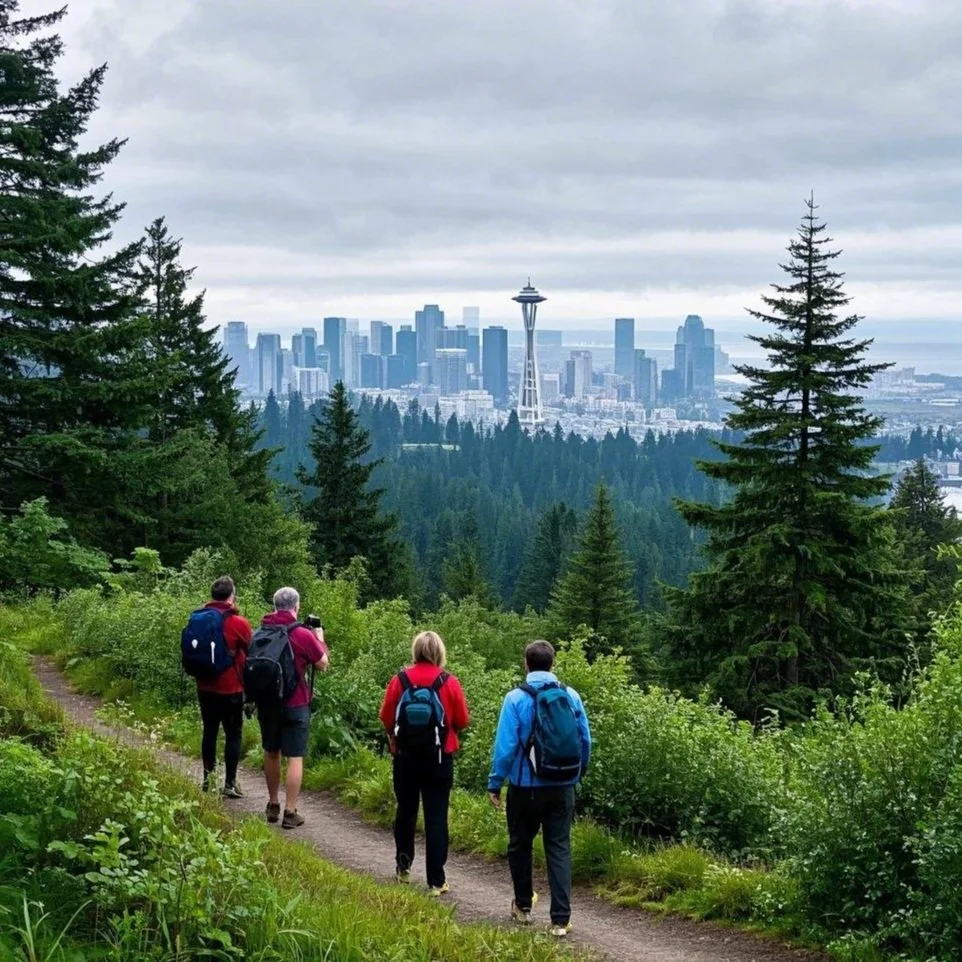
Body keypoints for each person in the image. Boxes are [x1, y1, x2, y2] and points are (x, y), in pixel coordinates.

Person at [488, 640, 591, 938]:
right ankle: (560, 919)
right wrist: (577, 773)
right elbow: (585, 740)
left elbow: (505, 747)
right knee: (559, 847)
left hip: (525, 787)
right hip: (563, 786)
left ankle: (523, 907)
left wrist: (496, 782)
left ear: (526, 664)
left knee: (520, 844)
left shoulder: (515, 699)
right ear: (553, 664)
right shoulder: (571, 696)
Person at [379, 631, 470, 895]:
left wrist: (395, 739)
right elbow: (462, 720)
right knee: (436, 817)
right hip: (439, 758)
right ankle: (436, 881)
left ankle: (403, 868)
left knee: (405, 811)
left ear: (416, 651)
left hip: (405, 757)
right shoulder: (448, 681)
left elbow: (386, 716)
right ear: (439, 652)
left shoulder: (401, 680)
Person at [256, 586, 328, 830]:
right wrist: (319, 636)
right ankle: (290, 811)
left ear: (274, 605)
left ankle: (273, 803)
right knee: (295, 757)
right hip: (296, 702)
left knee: (271, 751)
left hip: (267, 702)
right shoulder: (303, 634)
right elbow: (322, 664)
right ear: (296, 607)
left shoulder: (261, 631)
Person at [195, 576, 252, 798]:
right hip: (231, 689)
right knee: (233, 734)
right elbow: (251, 650)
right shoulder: (238, 622)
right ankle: (230, 783)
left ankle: (208, 780)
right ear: (231, 596)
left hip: (204, 686)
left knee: (209, 731)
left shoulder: (198, 617)